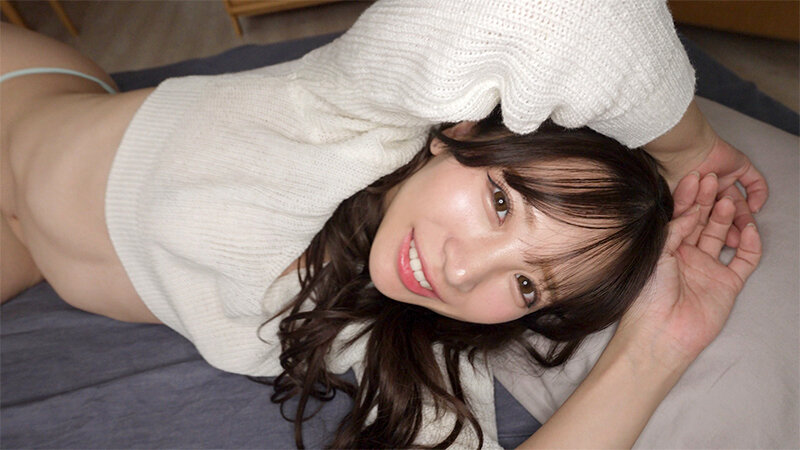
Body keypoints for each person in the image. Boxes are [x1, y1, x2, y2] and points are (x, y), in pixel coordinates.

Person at [0, 0, 766, 448]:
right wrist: (690, 146)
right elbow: (568, 12)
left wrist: (659, 347)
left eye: (528, 285)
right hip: (19, 95)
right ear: (458, 133)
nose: (463, 271)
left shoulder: (411, 340)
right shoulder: (342, 117)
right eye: (501, 203)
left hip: (27, 252)